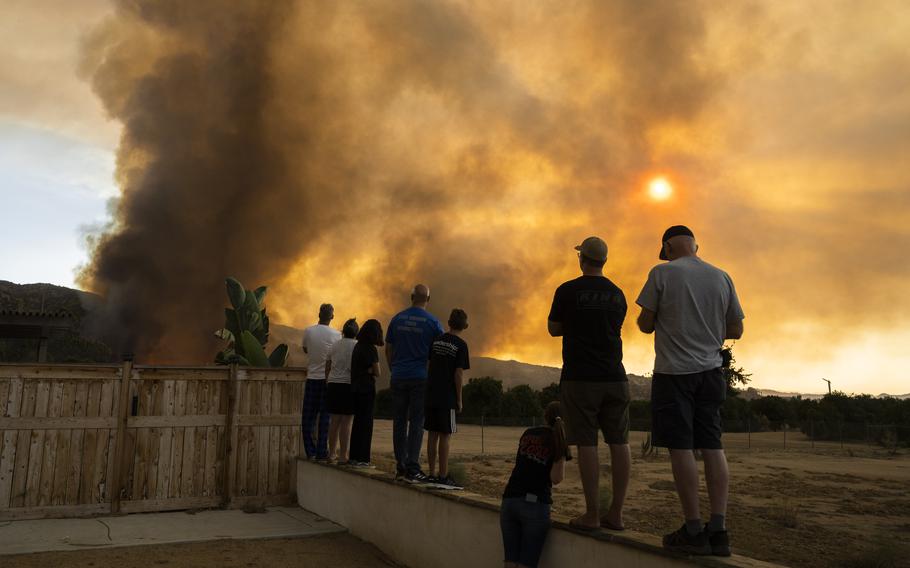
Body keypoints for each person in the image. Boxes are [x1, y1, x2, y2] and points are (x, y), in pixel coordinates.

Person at [636, 225, 744, 556]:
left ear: (668, 247)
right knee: (712, 444)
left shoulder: (662, 273)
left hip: (674, 374)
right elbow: (736, 329)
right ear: (695, 245)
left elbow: (644, 323)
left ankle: (694, 529)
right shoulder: (722, 276)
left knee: (680, 448)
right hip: (711, 373)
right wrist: (707, 331)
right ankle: (719, 529)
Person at [547, 236, 631, 531]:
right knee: (619, 442)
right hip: (615, 377)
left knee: (586, 443)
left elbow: (554, 328)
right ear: (604, 261)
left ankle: (593, 514)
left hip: (580, 378)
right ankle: (616, 514)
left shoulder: (567, 290)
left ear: (581, 259)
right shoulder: (618, 294)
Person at [500, 402, 570, 568]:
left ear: (545, 416)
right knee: (526, 563)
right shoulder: (558, 439)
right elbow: (556, 478)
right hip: (535, 505)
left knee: (510, 561)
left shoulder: (528, 433)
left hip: (510, 501)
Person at [386, 284, 444, 482]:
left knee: (399, 422)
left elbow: (388, 349)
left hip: (398, 376)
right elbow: (439, 353)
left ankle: (401, 466)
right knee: (417, 423)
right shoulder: (433, 323)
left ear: (411, 297)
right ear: (428, 299)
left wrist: (394, 369)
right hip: (420, 378)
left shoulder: (397, 319)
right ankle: (412, 467)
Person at [425, 309, 470, 487]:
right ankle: (443, 476)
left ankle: (431, 473)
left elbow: (429, 364)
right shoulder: (461, 345)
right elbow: (458, 374)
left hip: (431, 393)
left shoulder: (436, 340)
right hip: (447, 396)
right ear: (465, 326)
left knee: (432, 434)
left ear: (449, 322)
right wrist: (459, 399)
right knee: (445, 435)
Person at [302, 303, 341, 460]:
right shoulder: (337, 335)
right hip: (327, 381)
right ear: (332, 316)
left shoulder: (309, 331)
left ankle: (310, 451)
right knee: (325, 419)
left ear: (319, 314)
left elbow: (305, 349)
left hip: (312, 379)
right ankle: (322, 452)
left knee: (308, 418)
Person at [348, 319, 384, 467]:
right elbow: (378, 372)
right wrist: (369, 370)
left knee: (357, 423)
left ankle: (354, 457)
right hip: (366, 389)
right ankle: (363, 459)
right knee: (366, 424)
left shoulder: (357, 346)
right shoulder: (370, 349)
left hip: (355, 388)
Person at [325, 318, 359, 463]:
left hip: (333, 384)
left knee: (334, 421)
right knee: (346, 422)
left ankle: (331, 453)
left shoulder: (334, 345)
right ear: (356, 332)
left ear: (343, 331)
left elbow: (328, 365)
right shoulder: (357, 346)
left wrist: (329, 380)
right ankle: (343, 455)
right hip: (348, 385)